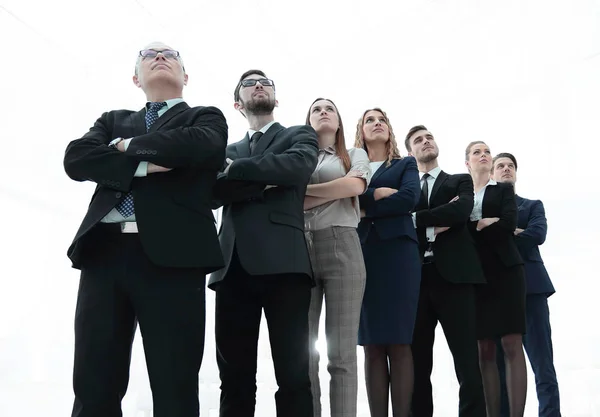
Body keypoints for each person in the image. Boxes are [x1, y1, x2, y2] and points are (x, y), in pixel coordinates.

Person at [63, 42, 227, 417]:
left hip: (175, 257)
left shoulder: (206, 117)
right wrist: (142, 165)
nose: (159, 57)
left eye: (170, 55)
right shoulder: (112, 119)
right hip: (102, 256)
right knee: (93, 382)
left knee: (175, 384)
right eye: (148, 56)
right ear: (135, 78)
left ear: (185, 76)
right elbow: (77, 157)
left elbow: (202, 147)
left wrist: (126, 148)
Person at [210, 70, 319, 417]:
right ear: (237, 102)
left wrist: (238, 171)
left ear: (275, 97)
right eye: (249, 83)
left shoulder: (298, 134)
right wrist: (267, 178)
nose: (259, 85)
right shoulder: (223, 149)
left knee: (293, 375)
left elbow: (298, 166)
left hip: (285, 266)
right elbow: (212, 191)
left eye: (266, 82)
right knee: (234, 378)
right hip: (231, 268)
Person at [405, 126, 487, 417]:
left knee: (467, 363)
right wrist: (430, 223)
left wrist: (414, 219)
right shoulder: (409, 190)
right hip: (415, 282)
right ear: (410, 152)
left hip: (456, 280)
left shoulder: (460, 180)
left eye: (429, 137)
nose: (426, 141)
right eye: (418, 140)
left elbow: (460, 212)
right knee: (416, 365)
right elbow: (399, 224)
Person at [303, 98, 371, 417]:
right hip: (299, 249)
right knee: (305, 354)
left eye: (329, 108)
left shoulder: (354, 154)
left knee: (341, 355)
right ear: (308, 121)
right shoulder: (298, 156)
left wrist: (303, 196)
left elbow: (355, 185)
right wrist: (336, 190)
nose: (323, 112)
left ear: (339, 121)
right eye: (316, 109)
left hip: (342, 244)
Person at [353, 109, 420, 417]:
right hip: (362, 253)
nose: (377, 123)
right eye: (370, 120)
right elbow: (343, 200)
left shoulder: (405, 164)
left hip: (399, 256)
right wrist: (375, 193)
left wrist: (365, 206)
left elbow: (409, 199)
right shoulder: (351, 165)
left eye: (382, 119)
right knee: (372, 343)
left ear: (390, 130)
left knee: (399, 341)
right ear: (360, 130)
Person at [492, 153, 561, 417]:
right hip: (496, 295)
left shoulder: (532, 206)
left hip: (531, 291)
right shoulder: (482, 210)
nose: (506, 169)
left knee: (543, 365)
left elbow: (537, 235)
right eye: (501, 166)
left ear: (516, 174)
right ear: (493, 173)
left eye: (511, 166)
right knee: (499, 369)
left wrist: (499, 232)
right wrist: (515, 233)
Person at [465, 142, 528, 417]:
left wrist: (479, 227)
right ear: (467, 163)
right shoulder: (461, 195)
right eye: (477, 152)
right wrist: (482, 223)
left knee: (511, 342)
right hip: (475, 276)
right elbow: (458, 231)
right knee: (484, 348)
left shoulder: (503, 190)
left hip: (506, 271)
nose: (483, 155)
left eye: (486, 152)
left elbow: (507, 224)